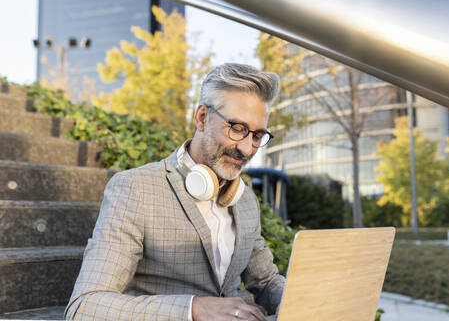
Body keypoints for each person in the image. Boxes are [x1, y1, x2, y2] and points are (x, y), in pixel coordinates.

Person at [65, 63, 285, 321]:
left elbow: (266, 280)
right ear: (202, 117)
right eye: (237, 128)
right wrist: (195, 309)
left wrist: (295, 300)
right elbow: (85, 306)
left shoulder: (245, 199)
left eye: (257, 135)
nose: (247, 149)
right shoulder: (135, 189)